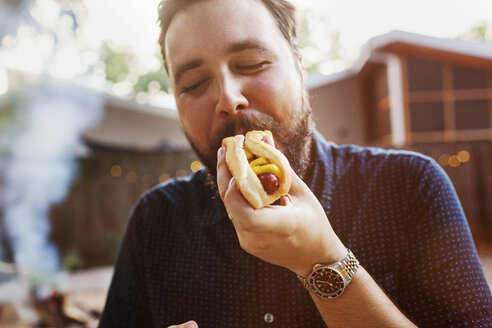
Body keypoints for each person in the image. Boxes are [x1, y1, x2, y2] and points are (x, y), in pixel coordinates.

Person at [99, 0, 492, 327]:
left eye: (252, 63)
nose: (228, 98)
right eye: (193, 84)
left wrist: (322, 260)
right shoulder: (154, 223)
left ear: (300, 67)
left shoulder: (410, 187)